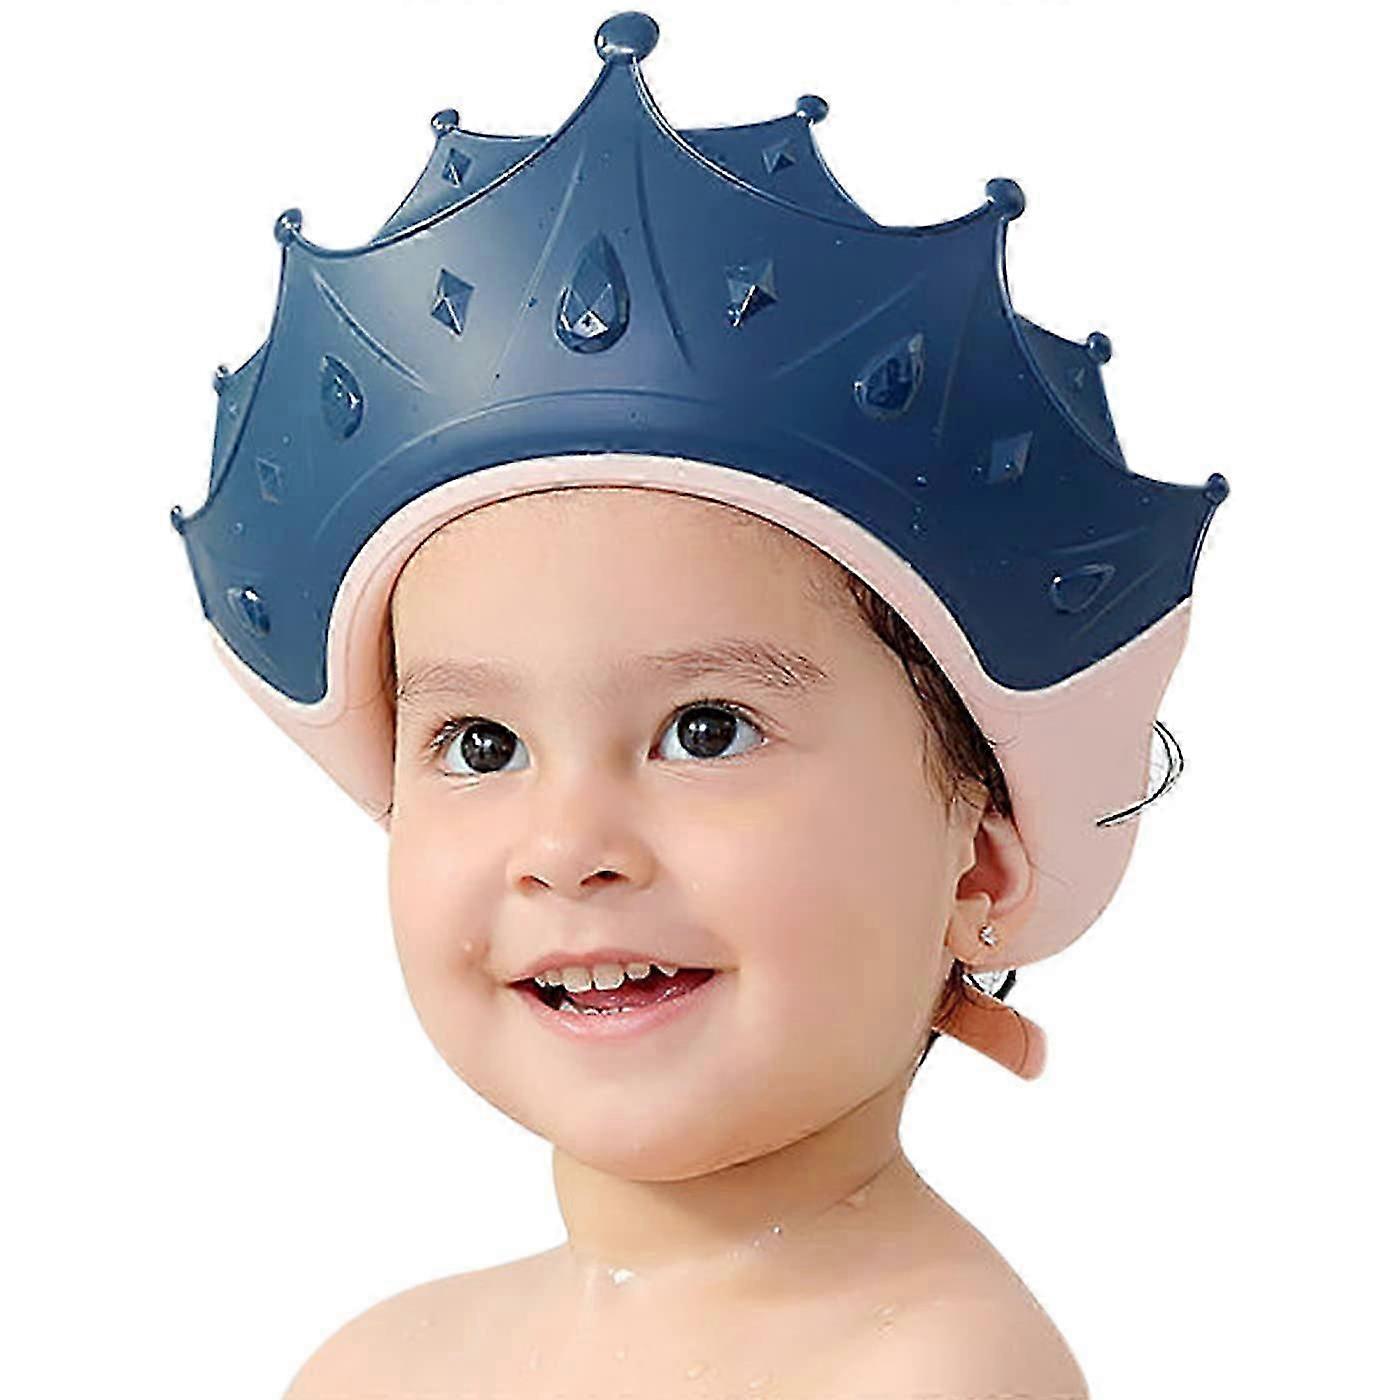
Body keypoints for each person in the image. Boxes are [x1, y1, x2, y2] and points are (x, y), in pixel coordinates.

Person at [168, 13, 1228, 1396]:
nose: (568, 847)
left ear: (977, 861)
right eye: (481, 745)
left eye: (705, 730)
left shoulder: (930, 1375)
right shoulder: (376, 1366)